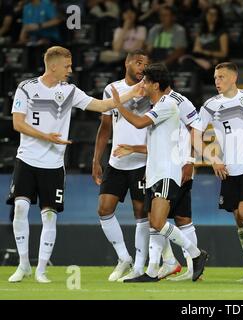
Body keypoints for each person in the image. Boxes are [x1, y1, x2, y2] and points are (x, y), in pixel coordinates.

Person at [6, 46, 143, 283]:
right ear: (54, 65)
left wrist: (134, 92)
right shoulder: (26, 88)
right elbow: (17, 123)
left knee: (49, 215)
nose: (70, 70)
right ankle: (23, 264)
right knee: (20, 208)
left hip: (53, 164)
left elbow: (102, 106)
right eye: (67, 66)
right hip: (26, 159)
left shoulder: (70, 91)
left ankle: (41, 270)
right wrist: (46, 136)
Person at [110, 63, 208, 282]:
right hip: (154, 172)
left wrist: (118, 105)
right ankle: (153, 271)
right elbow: (155, 143)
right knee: (153, 221)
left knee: (157, 222)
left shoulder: (168, 104)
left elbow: (138, 123)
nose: (142, 84)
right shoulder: (159, 104)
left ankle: (195, 254)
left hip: (167, 172)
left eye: (145, 81)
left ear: (155, 84)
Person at [192, 62, 243, 282]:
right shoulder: (210, 105)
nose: (217, 81)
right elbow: (195, 136)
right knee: (238, 217)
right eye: (216, 78)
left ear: (234, 77)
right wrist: (213, 159)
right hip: (228, 169)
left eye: (222, 77)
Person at [92, 50, 151, 282]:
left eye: (145, 65)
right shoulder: (112, 89)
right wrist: (96, 159)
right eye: (138, 63)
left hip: (142, 161)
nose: (141, 68)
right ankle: (123, 257)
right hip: (116, 161)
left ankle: (138, 265)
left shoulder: (150, 89)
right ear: (126, 63)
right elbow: (105, 127)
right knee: (104, 210)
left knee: (141, 214)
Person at [180, 5, 229, 83]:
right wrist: (200, 59)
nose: (211, 16)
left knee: (194, 66)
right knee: (186, 62)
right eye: (209, 14)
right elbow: (196, 50)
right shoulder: (201, 33)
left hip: (215, 64)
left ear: (218, 17)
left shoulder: (222, 33)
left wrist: (206, 52)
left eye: (214, 14)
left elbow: (223, 54)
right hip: (201, 62)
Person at [146, 5, 187, 70]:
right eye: (161, 15)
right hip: (155, 59)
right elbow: (148, 49)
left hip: (171, 61)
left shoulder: (179, 30)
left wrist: (165, 62)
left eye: (166, 15)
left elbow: (180, 50)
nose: (163, 18)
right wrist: (148, 61)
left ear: (173, 17)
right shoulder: (154, 29)